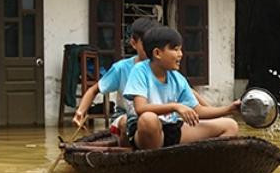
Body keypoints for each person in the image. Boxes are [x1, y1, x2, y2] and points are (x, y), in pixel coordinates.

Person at [124, 25, 239, 150]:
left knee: (230, 125)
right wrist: (175, 106)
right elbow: (141, 108)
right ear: (157, 53)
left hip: (172, 129)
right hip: (145, 132)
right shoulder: (140, 70)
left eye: (180, 50)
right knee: (148, 119)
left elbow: (198, 110)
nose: (180, 54)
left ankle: (203, 162)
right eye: (175, 49)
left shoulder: (177, 78)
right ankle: (154, 163)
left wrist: (229, 109)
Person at [72, 17, 157, 145]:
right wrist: (80, 112)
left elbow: (185, 90)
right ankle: (126, 152)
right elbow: (94, 89)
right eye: (146, 43)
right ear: (134, 43)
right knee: (124, 123)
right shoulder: (121, 68)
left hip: (153, 116)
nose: (151, 48)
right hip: (125, 116)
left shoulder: (162, 66)